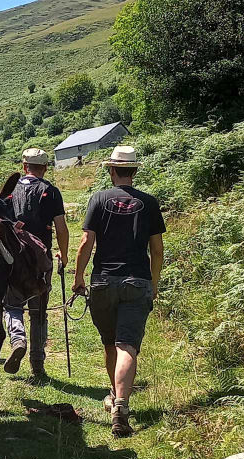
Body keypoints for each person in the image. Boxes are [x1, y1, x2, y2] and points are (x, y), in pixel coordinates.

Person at [72, 146, 165, 438]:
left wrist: (78, 278)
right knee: (127, 345)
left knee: (110, 342)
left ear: (112, 170)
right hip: (137, 281)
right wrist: (154, 282)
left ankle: (114, 395)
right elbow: (157, 250)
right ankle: (121, 407)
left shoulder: (99, 199)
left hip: (103, 280)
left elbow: (86, 242)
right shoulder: (149, 203)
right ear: (134, 171)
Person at [2, 148, 69, 376]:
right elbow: (61, 227)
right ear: (45, 168)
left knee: (12, 305)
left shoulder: (10, 191)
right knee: (39, 311)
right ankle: (37, 364)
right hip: (41, 257)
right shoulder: (51, 192)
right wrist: (64, 254)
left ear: (24, 167)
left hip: (13, 258)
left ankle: (18, 339)